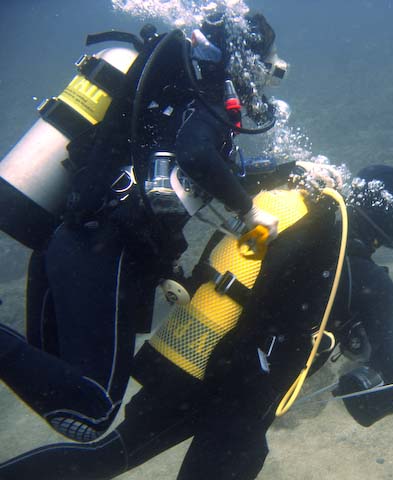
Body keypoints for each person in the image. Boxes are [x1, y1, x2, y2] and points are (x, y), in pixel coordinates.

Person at [0, 163, 393, 479]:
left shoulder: (294, 225)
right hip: (240, 407)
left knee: (105, 457)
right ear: (388, 225)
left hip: (194, 366)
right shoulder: (369, 280)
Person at [0, 8, 287, 443]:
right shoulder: (209, 102)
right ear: (244, 62)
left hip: (66, 238)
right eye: (268, 62)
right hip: (104, 250)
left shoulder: (173, 98)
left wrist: (285, 169)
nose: (271, 72)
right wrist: (250, 212)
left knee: (55, 375)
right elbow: (197, 155)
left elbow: (206, 169)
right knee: (91, 411)